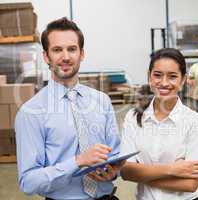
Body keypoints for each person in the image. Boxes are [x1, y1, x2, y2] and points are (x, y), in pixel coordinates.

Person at [15, 17, 123, 200]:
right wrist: (77, 162)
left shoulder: (101, 101)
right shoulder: (31, 112)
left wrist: (113, 172)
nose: (65, 57)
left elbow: (115, 154)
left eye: (72, 49)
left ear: (82, 54)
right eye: (57, 50)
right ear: (46, 56)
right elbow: (28, 182)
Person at [120, 48, 198, 200]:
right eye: (157, 75)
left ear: (182, 80)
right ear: (149, 77)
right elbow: (126, 171)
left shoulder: (195, 121)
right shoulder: (133, 118)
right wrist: (173, 169)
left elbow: (191, 184)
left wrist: (142, 174)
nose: (164, 83)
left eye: (172, 76)